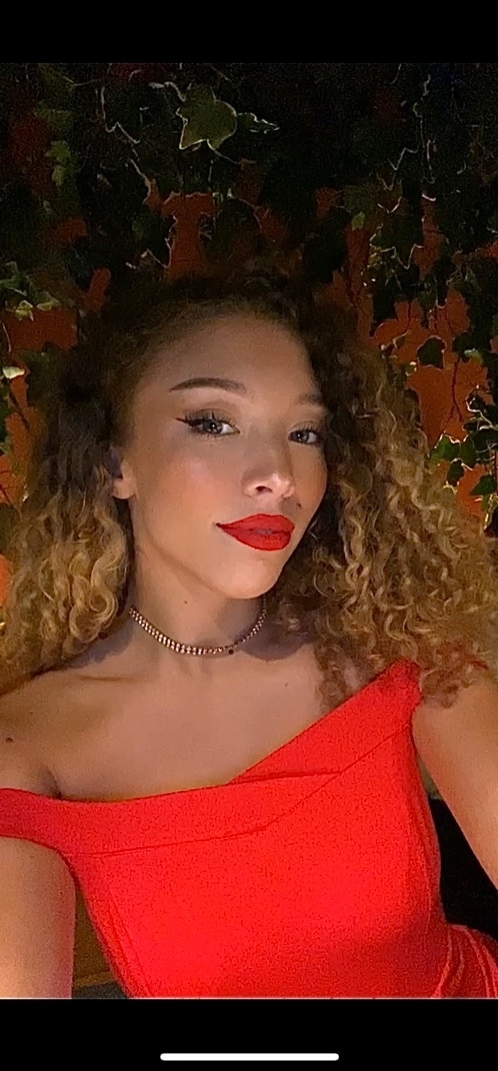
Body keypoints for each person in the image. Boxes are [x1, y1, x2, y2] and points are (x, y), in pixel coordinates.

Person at [1, 264, 498, 999]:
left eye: (304, 432)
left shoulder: (396, 640)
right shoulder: (29, 748)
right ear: (114, 462)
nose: (279, 474)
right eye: (213, 422)